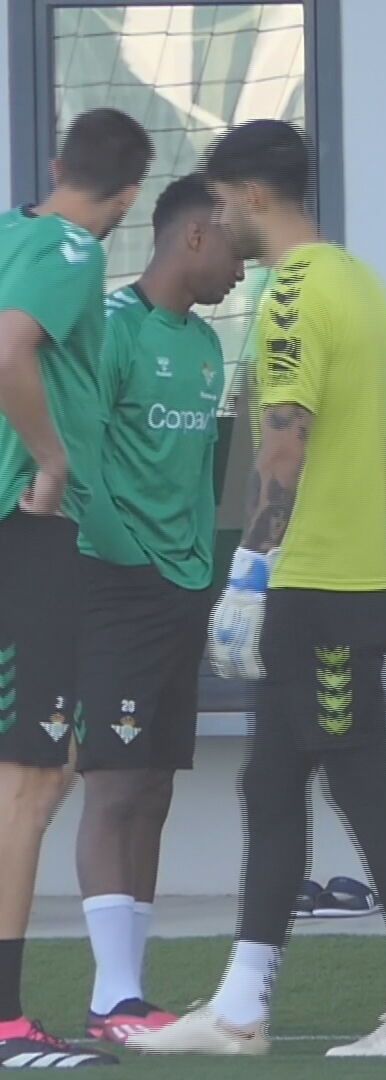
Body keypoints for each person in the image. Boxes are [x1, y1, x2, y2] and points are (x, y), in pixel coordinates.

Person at [129, 119, 386, 1058]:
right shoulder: (361, 282)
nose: (218, 218)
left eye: (220, 200)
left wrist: (248, 571)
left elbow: (284, 440)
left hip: (317, 586)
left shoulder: (292, 294)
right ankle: (240, 1008)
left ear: (250, 196)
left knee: (360, 785)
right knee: (272, 784)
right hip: (349, 578)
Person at [74, 173, 241, 1047]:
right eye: (237, 254)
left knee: (155, 790)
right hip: (118, 589)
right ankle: (111, 997)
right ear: (194, 238)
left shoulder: (210, 349)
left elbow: (211, 476)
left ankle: (129, 991)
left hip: (184, 593)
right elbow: (80, 459)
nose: (243, 275)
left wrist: (208, 577)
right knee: (114, 784)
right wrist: (131, 557)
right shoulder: (111, 328)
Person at [0, 106, 151, 1070]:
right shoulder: (68, 247)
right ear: (131, 197)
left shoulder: (13, 230)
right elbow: (10, 349)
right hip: (29, 537)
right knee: (31, 780)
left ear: (58, 164)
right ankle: (7, 1025)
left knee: (33, 778)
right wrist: (50, 465)